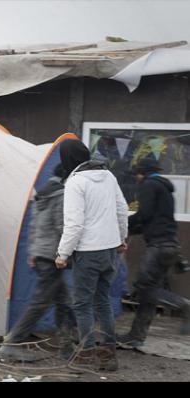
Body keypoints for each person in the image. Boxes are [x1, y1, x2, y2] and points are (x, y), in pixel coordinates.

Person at [55, 140, 129, 371]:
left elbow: (74, 224)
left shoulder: (75, 183)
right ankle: (108, 356)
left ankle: (86, 354)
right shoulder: (108, 175)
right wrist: (121, 239)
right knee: (103, 301)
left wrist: (62, 253)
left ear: (67, 159)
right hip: (109, 250)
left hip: (88, 251)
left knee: (82, 304)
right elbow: (122, 209)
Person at [0, 164, 75, 362]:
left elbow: (34, 226)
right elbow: (61, 226)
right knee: (40, 303)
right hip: (52, 256)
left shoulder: (41, 194)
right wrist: (68, 252)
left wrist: (33, 251)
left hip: (41, 253)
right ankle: (12, 343)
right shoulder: (61, 195)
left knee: (62, 300)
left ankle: (67, 345)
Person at [118, 158, 190, 348]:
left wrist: (123, 226)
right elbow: (155, 221)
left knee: (144, 289)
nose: (136, 178)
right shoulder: (164, 187)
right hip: (169, 246)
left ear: (142, 173)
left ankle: (184, 306)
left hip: (158, 248)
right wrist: (133, 230)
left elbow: (145, 215)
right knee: (149, 292)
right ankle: (136, 336)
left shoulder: (149, 185)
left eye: (137, 175)